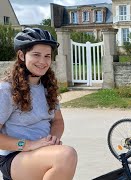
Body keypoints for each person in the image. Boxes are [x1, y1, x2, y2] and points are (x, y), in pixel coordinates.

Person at [0, 28, 77, 180]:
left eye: (47, 56)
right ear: (22, 55)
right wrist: (28, 145)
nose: (43, 61)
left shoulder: (47, 87)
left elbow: (58, 121)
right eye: (36, 55)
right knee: (66, 155)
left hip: (42, 153)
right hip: (15, 157)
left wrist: (53, 139)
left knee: (64, 156)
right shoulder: (6, 90)